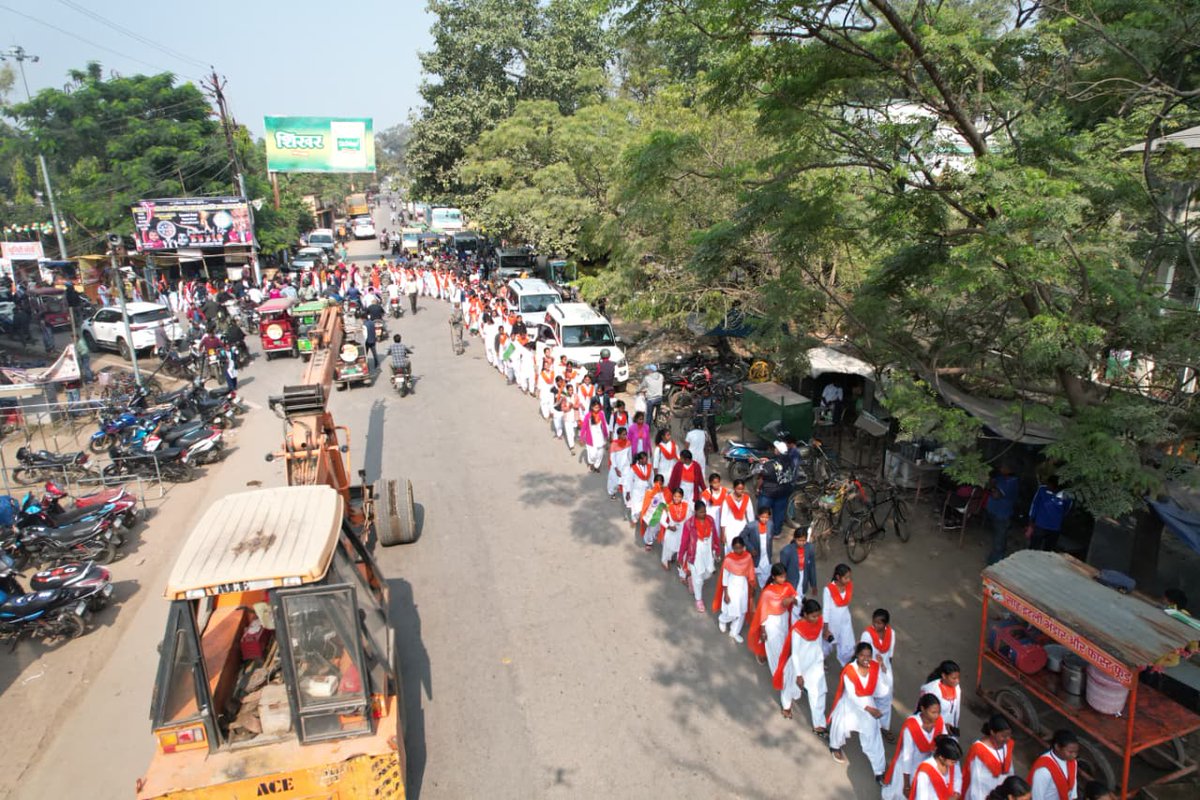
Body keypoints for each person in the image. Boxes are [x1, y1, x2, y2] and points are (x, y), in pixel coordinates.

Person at [827, 641, 891, 780]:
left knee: (873, 736)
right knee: (840, 725)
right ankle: (835, 747)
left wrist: (883, 669)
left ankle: (879, 771)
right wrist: (870, 709)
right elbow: (852, 694)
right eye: (863, 656)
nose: (866, 659)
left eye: (869, 656)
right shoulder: (849, 670)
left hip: (868, 703)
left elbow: (883, 690)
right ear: (857, 655)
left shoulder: (874, 667)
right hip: (851, 704)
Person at [776, 598, 828, 732]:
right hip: (799, 665)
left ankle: (819, 723)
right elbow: (796, 654)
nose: (817, 619)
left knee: (818, 691)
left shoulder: (819, 622)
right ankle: (786, 706)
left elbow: (818, 641)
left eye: (818, 615)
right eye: (813, 616)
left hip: (815, 663)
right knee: (791, 687)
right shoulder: (797, 630)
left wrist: (821, 658)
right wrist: (799, 675)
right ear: (805, 614)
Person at [880, 693, 946, 800]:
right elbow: (907, 756)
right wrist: (906, 784)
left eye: (938, 712)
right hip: (906, 768)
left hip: (923, 767)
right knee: (898, 793)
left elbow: (944, 739)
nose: (936, 716)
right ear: (923, 709)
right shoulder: (911, 726)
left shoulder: (939, 722)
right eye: (933, 712)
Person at [748, 564, 798, 673]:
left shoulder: (788, 586)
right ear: (774, 577)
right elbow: (763, 613)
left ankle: (782, 670)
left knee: (783, 645)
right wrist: (763, 631)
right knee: (775, 650)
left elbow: (795, 597)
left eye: (785, 576)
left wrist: (794, 600)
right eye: (781, 577)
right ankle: (778, 673)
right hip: (771, 623)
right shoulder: (767, 592)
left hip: (783, 621)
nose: (784, 579)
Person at [678, 501, 720, 612]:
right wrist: (681, 556)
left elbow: (715, 535)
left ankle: (691, 578)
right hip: (695, 554)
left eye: (705, 511)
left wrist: (717, 549)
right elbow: (684, 541)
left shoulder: (710, 520)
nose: (704, 514)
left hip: (707, 552)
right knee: (699, 580)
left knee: (708, 574)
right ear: (695, 512)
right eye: (701, 512)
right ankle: (698, 600)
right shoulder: (689, 524)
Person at [713, 535, 757, 642]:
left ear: (744, 547)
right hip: (732, 587)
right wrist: (726, 593)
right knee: (731, 611)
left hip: (743, 586)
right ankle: (722, 620)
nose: (738, 550)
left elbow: (751, 571)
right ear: (732, 548)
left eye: (740, 547)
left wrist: (752, 585)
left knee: (741, 611)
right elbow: (725, 577)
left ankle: (734, 632)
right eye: (736, 548)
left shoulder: (748, 557)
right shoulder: (729, 559)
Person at [861, 608, 896, 735]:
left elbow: (890, 655)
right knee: (869, 697)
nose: (876, 625)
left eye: (879, 623)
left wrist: (887, 671)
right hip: (871, 670)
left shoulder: (891, 634)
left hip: (885, 671)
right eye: (874, 622)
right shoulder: (867, 635)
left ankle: (884, 726)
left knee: (886, 698)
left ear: (886, 624)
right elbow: (862, 654)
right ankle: (868, 725)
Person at [963, 715, 1015, 800]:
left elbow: (1010, 769)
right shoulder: (979, 750)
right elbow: (976, 782)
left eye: (1009, 735)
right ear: (992, 732)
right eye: (1003, 736)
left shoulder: (1007, 745)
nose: (1007, 739)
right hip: (983, 793)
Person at [757, 441, 794, 540]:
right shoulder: (789, 461)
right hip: (784, 492)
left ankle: (762, 530)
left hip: (768, 493)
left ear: (778, 451)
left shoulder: (770, 465)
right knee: (779, 513)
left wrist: (757, 488)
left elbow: (761, 475)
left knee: (763, 511)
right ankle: (777, 532)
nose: (774, 449)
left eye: (776, 448)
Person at [1028, 729, 1079, 800]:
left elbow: (1073, 786)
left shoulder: (1073, 762)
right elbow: (1037, 796)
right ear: (1057, 747)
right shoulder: (1043, 770)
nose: (1074, 756)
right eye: (1070, 752)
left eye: (1076, 752)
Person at [910, 736, 964, 800]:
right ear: (941, 757)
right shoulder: (924, 772)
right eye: (953, 762)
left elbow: (957, 778)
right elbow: (922, 797)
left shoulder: (952, 763)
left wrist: (956, 793)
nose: (955, 764)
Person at [822, 563, 856, 666]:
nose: (848, 580)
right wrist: (826, 628)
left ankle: (846, 665)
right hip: (832, 622)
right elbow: (826, 609)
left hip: (845, 620)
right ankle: (821, 660)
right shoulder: (828, 590)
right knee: (827, 645)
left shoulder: (849, 586)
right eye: (846, 578)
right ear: (838, 577)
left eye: (849, 577)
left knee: (848, 644)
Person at [920, 660, 964, 737]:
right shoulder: (932, 690)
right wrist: (942, 726)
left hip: (949, 730)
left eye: (958, 678)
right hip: (932, 730)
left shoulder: (956, 688)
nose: (957, 681)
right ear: (944, 676)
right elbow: (926, 714)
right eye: (954, 678)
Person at [1027, 475, 1072, 552]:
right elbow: (1034, 505)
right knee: (1033, 549)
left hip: (1054, 528)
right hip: (1040, 525)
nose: (1047, 485)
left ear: (1056, 487)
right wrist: (1031, 521)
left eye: (1049, 484)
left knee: (1048, 551)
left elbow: (1067, 509)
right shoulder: (1042, 489)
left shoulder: (1067, 495)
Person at [987, 464, 1020, 564]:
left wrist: (992, 487)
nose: (1001, 468)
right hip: (994, 512)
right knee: (997, 537)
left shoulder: (1012, 482)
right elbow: (989, 486)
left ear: (1009, 470)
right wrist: (992, 486)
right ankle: (994, 557)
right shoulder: (1001, 477)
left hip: (1002, 515)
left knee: (999, 539)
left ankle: (996, 562)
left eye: (1003, 467)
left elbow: (996, 495)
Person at [660, 487, 690, 571]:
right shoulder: (668, 506)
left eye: (679, 496)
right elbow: (662, 521)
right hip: (671, 531)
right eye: (675, 496)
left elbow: (689, 517)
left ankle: (680, 566)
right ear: (672, 496)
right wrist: (669, 527)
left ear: (682, 497)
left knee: (681, 547)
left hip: (682, 532)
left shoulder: (686, 505)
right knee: (668, 547)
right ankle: (665, 561)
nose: (677, 498)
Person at [638, 474, 670, 551]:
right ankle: (648, 542)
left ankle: (653, 537)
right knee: (651, 529)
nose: (659, 484)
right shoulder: (649, 492)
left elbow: (667, 502)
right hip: (650, 514)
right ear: (654, 482)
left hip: (660, 513)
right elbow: (646, 503)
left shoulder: (665, 491)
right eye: (657, 482)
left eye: (661, 483)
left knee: (657, 528)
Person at [745, 507, 775, 588]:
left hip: (766, 556)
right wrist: (751, 548)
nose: (764, 519)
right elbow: (743, 536)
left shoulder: (770, 525)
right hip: (755, 556)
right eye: (762, 517)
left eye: (767, 517)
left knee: (766, 579)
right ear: (758, 516)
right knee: (750, 578)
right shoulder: (751, 526)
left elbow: (771, 539)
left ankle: (764, 594)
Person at [721, 479, 754, 551]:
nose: (740, 491)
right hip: (730, 528)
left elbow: (751, 516)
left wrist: (751, 531)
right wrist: (723, 534)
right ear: (734, 488)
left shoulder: (747, 498)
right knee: (730, 548)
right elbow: (723, 517)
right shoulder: (727, 499)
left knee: (742, 547)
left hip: (742, 527)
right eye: (738, 489)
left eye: (742, 489)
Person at [579, 400, 609, 473]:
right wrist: (581, 438)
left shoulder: (601, 414)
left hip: (600, 437)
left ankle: (596, 466)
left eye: (598, 407)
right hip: (591, 438)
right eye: (595, 407)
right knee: (593, 454)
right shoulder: (588, 415)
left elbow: (604, 425)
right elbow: (584, 427)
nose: (597, 408)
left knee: (600, 453)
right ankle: (591, 462)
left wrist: (606, 435)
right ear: (592, 407)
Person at [779, 528, 808, 599]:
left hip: (803, 575)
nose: (802, 543)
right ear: (795, 539)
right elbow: (783, 568)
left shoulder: (808, 549)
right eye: (799, 540)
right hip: (792, 578)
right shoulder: (786, 551)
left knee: (801, 594)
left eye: (804, 540)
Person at [626, 451, 653, 525]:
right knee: (636, 507)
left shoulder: (649, 467)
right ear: (640, 460)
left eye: (646, 459)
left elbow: (651, 478)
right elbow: (629, 480)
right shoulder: (634, 468)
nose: (646, 461)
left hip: (646, 490)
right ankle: (634, 520)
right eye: (644, 459)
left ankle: (644, 519)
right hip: (637, 491)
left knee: (645, 505)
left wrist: (653, 487)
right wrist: (628, 492)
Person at [607, 427, 632, 502]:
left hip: (626, 466)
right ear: (618, 435)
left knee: (627, 482)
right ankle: (612, 492)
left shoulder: (628, 443)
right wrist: (616, 469)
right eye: (623, 435)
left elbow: (629, 454)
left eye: (626, 434)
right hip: (616, 467)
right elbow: (612, 457)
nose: (625, 436)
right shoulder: (614, 444)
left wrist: (630, 464)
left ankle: (627, 500)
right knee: (614, 482)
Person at [640, 364, 664, 430]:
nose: (647, 371)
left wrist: (638, 391)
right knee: (658, 411)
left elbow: (642, 386)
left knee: (649, 414)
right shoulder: (661, 376)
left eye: (648, 370)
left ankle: (647, 429)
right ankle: (657, 421)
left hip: (651, 400)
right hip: (660, 398)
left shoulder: (647, 378)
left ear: (651, 371)